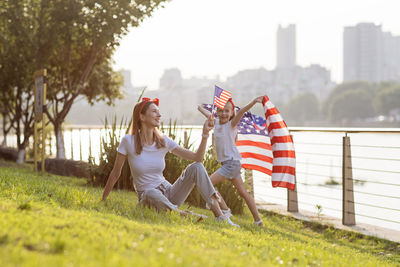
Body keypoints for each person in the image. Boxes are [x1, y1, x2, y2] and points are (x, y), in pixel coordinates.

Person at [102, 97, 239, 227]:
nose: (159, 115)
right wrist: (103, 200)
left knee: (197, 167)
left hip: (168, 192)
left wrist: (205, 134)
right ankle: (184, 215)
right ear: (142, 117)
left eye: (159, 112)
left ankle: (220, 216)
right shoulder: (128, 141)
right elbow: (115, 173)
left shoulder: (162, 140)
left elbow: (197, 158)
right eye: (154, 111)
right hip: (148, 197)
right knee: (150, 192)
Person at [198, 96, 264, 226]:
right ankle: (258, 220)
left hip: (231, 164)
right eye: (221, 111)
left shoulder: (232, 125)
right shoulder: (215, 122)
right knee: (243, 193)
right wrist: (200, 107)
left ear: (232, 112)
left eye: (227, 111)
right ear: (216, 112)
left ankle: (225, 209)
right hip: (230, 164)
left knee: (208, 182)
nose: (223, 114)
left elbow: (241, 112)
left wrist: (252, 102)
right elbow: (204, 111)